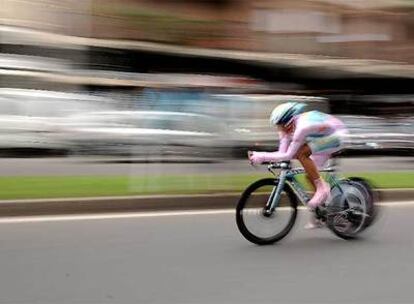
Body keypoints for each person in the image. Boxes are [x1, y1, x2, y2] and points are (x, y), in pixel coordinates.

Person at [248, 102, 348, 229]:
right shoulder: (286, 129)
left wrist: (261, 156)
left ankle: (323, 189)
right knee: (310, 175)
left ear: (290, 122)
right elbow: (282, 153)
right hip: (322, 137)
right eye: (277, 126)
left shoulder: (302, 127)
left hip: (337, 135)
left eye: (281, 126)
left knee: (301, 153)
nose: (279, 129)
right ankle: (321, 212)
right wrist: (263, 157)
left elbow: (288, 155)